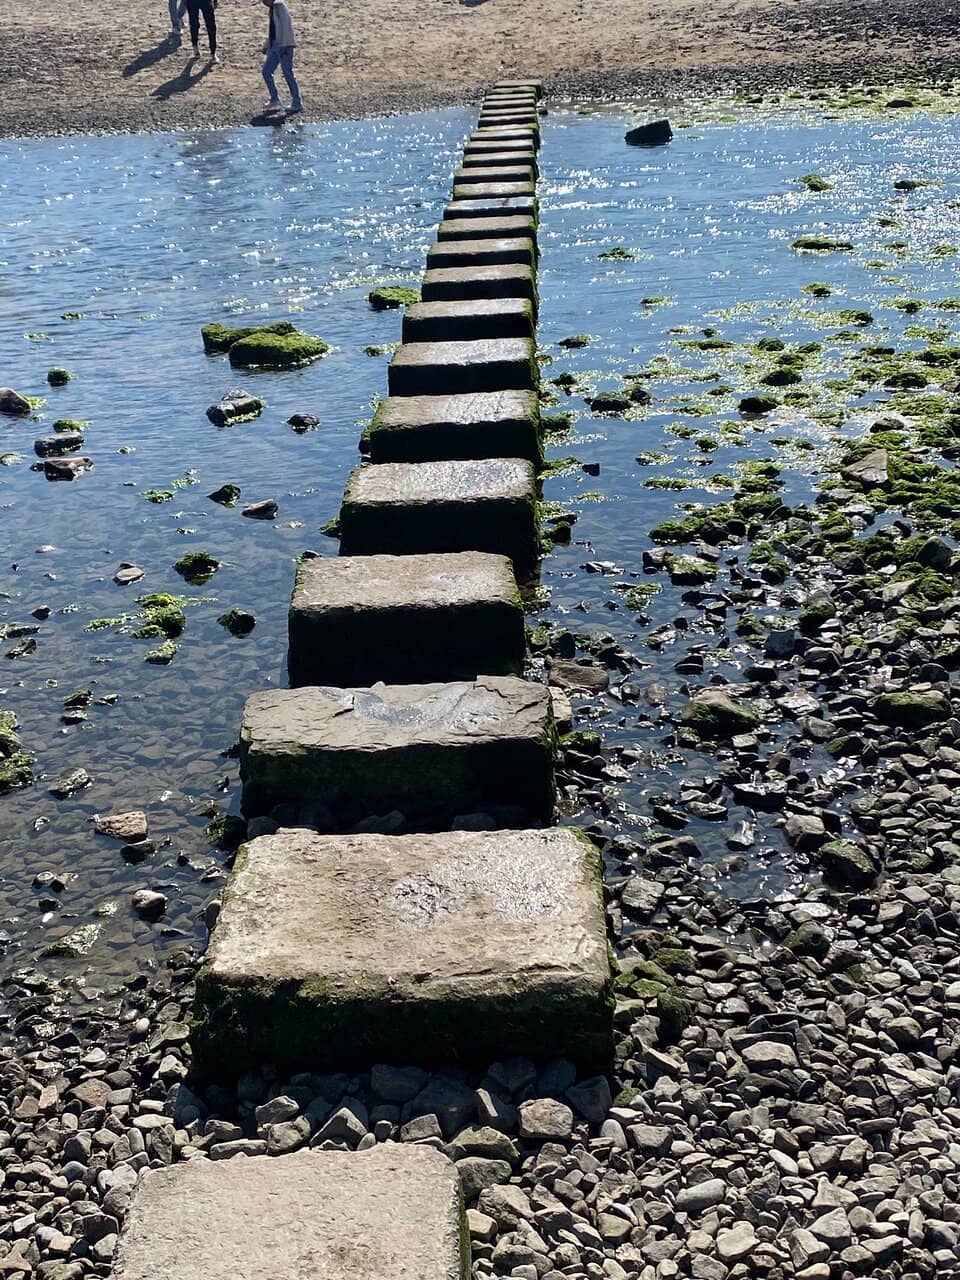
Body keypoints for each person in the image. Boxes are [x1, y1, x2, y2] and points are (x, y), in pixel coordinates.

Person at [261, 0, 302, 114]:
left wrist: (284, 45)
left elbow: (285, 26)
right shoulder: (273, 8)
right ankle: (275, 99)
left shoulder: (279, 6)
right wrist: (267, 45)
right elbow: (273, 30)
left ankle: (297, 102)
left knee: (287, 73)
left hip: (284, 45)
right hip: (275, 45)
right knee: (266, 71)